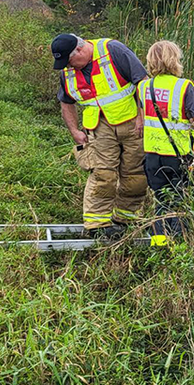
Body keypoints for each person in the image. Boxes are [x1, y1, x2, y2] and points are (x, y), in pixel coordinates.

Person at [52, 33, 147, 237]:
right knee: (103, 174)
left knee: (135, 175)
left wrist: (142, 117)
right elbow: (66, 102)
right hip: (99, 127)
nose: (68, 67)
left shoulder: (114, 51)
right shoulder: (67, 72)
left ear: (79, 49)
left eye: (69, 61)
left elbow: (143, 83)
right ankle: (97, 225)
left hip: (133, 124)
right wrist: (74, 131)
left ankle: (126, 219)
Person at [138, 40, 194, 246]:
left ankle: (159, 245)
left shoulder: (144, 86)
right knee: (181, 202)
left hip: (152, 156)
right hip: (179, 156)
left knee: (161, 201)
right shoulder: (184, 87)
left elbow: (144, 119)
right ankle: (180, 248)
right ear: (174, 59)